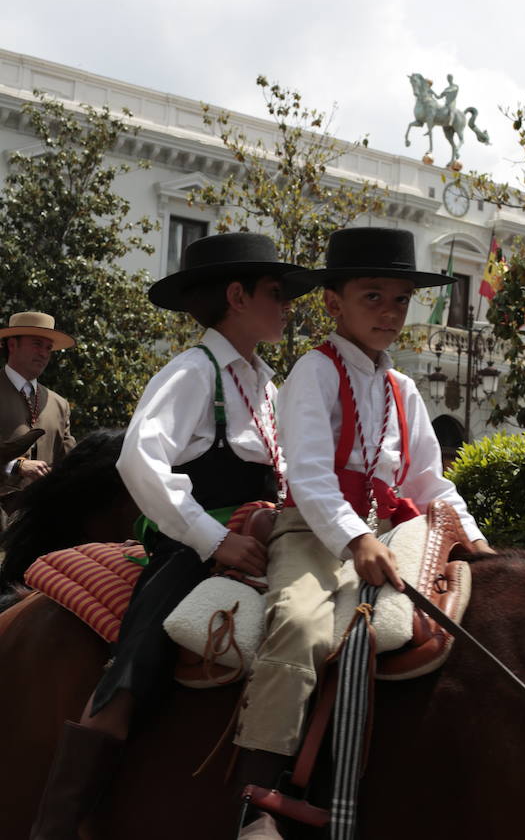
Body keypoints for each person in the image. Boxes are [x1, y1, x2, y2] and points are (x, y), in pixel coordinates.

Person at [29, 231, 315, 840]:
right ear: (236, 296)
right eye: (275, 291)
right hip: (190, 549)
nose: (288, 304)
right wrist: (215, 540)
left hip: (264, 538)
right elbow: (139, 462)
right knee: (135, 672)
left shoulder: (267, 384)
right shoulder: (192, 371)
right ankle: (60, 824)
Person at [234, 226, 493, 836]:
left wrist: (476, 541)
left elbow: (431, 483)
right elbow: (311, 476)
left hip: (391, 533)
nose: (389, 312)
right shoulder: (313, 373)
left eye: (400, 300)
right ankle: (256, 802)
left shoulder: (404, 388)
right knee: (298, 624)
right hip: (314, 532)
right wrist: (355, 539)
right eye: (372, 296)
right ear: (333, 303)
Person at [0, 311, 76, 491]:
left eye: (48, 348)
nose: (43, 353)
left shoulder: (59, 404)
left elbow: (69, 462)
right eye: (37, 344)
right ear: (12, 345)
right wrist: (16, 466)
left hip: (41, 513)